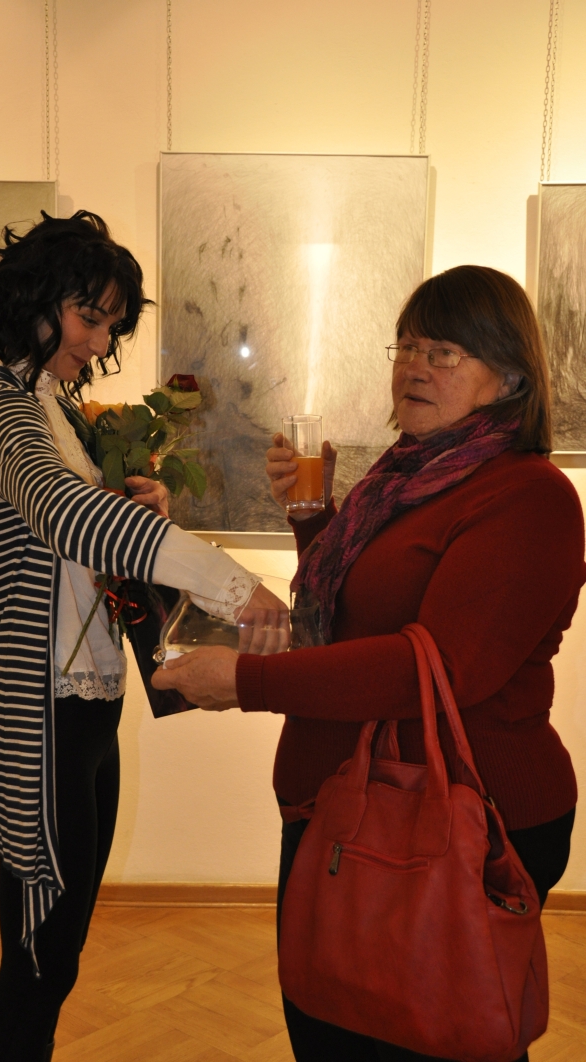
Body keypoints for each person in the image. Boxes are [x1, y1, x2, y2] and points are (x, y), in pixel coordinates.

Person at [153, 265, 585, 1062]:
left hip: (460, 818)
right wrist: (312, 516)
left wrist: (243, 682)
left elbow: (435, 669)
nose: (415, 366)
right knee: (329, 1028)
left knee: (428, 1039)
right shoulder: (405, 477)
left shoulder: (530, 496)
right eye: (407, 346)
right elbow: (355, 619)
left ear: (511, 377)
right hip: (349, 805)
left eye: (445, 352)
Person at [0, 210, 287, 1062]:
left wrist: (147, 506)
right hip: (40, 718)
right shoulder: (5, 414)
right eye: (89, 316)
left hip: (87, 711)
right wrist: (232, 584)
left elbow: (89, 536)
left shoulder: (59, 412)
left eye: (111, 323)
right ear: (35, 301)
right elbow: (69, 517)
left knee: (57, 958)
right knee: (36, 964)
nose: (101, 340)